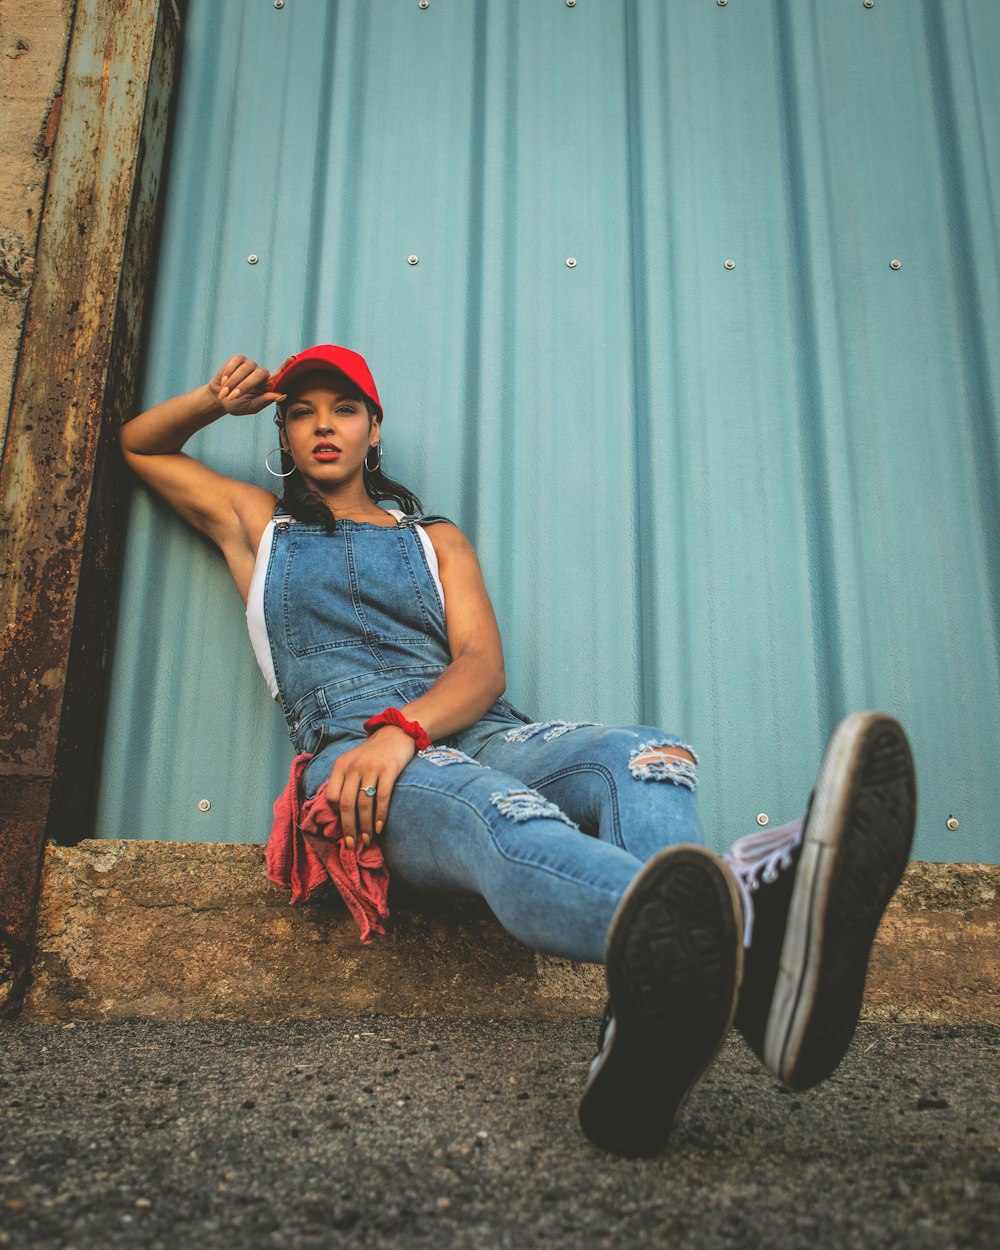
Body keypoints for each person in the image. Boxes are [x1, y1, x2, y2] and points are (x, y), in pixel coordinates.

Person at [119, 343, 917, 1158]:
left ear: (374, 429)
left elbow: (480, 668)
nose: (323, 425)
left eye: (344, 409)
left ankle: (641, 1038)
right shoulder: (259, 526)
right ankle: (757, 933)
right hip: (354, 760)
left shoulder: (435, 540)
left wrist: (407, 727)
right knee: (497, 811)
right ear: (282, 433)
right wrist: (218, 401)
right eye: (301, 412)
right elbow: (140, 445)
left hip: (470, 728)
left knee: (646, 753)